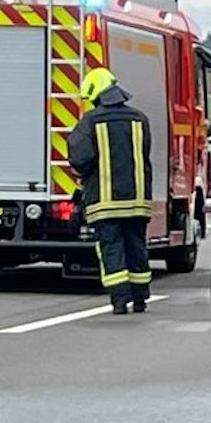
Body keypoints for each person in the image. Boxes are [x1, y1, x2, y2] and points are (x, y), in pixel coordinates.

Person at [68, 68, 155, 315]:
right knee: (136, 245)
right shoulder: (140, 119)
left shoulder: (90, 121)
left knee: (112, 247)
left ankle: (119, 301)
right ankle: (140, 298)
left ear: (96, 95)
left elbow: (79, 157)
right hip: (138, 201)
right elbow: (145, 155)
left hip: (105, 203)